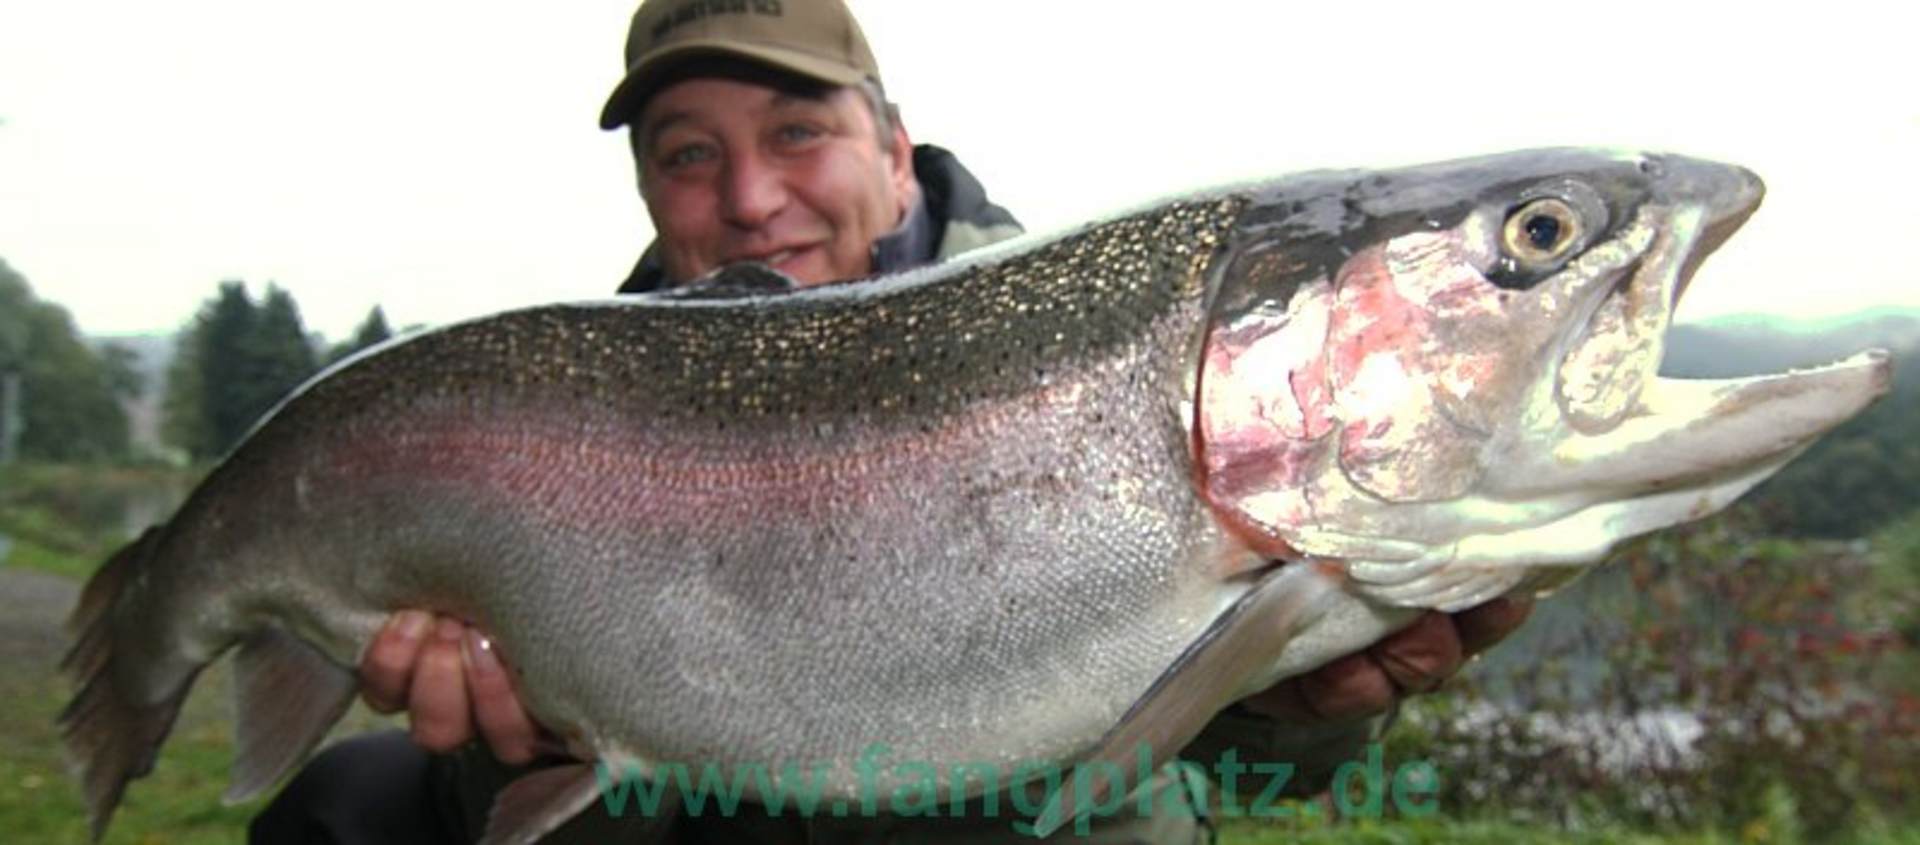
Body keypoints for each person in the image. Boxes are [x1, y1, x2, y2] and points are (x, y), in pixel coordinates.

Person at [253, 1, 1533, 842]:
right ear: (648, 186)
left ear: (896, 142)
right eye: (688, 154)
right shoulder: (555, 420)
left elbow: (1276, 748)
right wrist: (516, 732)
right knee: (348, 806)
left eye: (797, 131)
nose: (751, 196)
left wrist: (1318, 701)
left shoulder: (1119, 345)